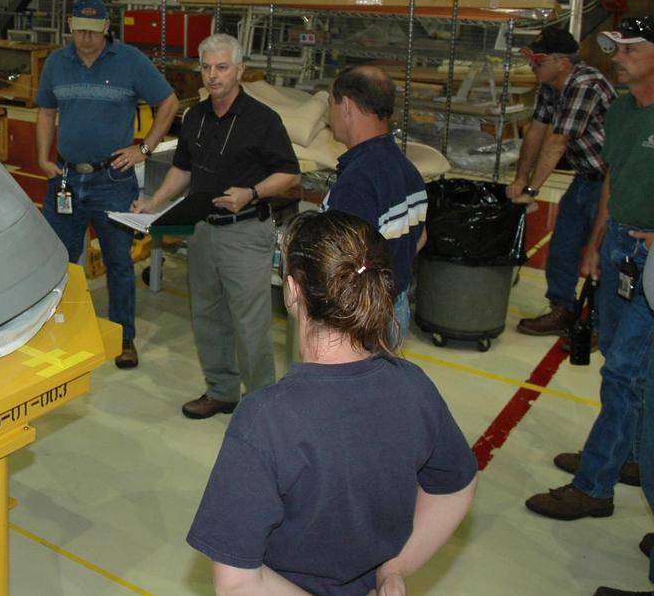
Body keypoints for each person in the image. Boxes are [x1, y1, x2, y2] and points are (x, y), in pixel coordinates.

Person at [187, 209, 478, 595]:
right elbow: (455, 486)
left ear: (293, 292)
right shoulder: (413, 386)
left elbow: (238, 583)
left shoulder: (266, 419)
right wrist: (395, 568)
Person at [527, 16, 654, 524]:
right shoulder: (623, 110)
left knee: (624, 370)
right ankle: (627, 454)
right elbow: (612, 179)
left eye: (629, 50)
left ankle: (595, 484)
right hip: (622, 244)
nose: (617, 59)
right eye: (615, 49)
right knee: (621, 364)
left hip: (651, 255)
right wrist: (598, 242)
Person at [132, 34, 299, 418]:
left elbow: (289, 174)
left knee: (250, 325)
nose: (213, 76)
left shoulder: (262, 120)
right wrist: (154, 203)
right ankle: (222, 391)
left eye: (222, 67)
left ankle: (262, 407)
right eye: (206, 68)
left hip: (245, 231)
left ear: (240, 70)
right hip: (203, 229)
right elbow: (183, 169)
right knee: (207, 316)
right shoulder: (195, 116)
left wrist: (252, 193)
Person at [36, 0, 179, 370]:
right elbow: (46, 111)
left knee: (118, 262)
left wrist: (144, 149)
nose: (86, 38)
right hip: (66, 178)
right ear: (70, 27)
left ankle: (123, 337)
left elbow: (169, 102)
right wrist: (42, 157)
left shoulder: (130, 61)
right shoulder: (57, 63)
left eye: (93, 31)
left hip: (112, 180)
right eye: (80, 30)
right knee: (59, 261)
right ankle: (58, 330)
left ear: (107, 28)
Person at [508, 26, 615, 338]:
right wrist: (521, 179)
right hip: (584, 178)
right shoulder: (550, 86)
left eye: (539, 61)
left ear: (563, 63)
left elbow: (557, 143)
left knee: (603, 254)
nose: (532, 66)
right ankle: (563, 309)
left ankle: (598, 325)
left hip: (610, 183)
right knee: (563, 247)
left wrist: (532, 190)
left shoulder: (585, 85)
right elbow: (536, 132)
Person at [323, 65, 428, 339]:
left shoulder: (358, 181)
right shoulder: (408, 170)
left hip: (362, 320)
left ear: (346, 106)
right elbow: (420, 237)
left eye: (330, 103)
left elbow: (345, 268)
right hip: (395, 308)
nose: (328, 114)